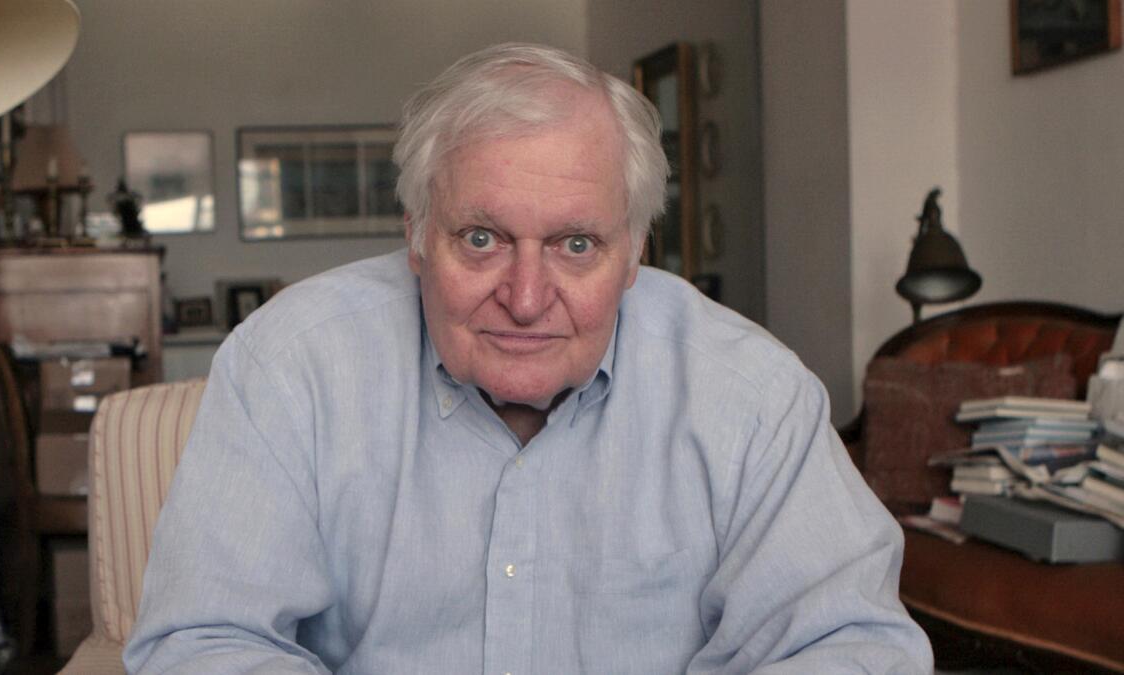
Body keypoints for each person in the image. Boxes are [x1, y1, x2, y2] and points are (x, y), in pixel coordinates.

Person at [124, 43, 932, 674]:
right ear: (414, 232)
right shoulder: (290, 369)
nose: (524, 295)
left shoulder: (752, 397)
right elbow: (202, 641)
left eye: (576, 244)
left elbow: (853, 646)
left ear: (636, 251)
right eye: (482, 238)